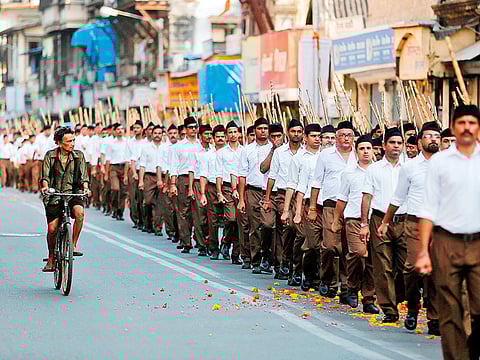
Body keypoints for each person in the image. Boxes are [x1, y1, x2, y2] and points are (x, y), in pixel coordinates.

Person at [416, 105, 480, 360]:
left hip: (478, 242)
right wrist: (423, 251)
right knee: (450, 308)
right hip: (446, 241)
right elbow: (428, 207)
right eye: (461, 123)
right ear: (454, 127)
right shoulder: (440, 162)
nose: (466, 128)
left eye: (472, 123)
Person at [378, 122, 441, 334]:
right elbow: (397, 197)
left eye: (436, 136)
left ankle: (435, 318)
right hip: (415, 223)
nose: (433, 139)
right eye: (429, 135)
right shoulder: (410, 167)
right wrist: (386, 221)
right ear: (420, 141)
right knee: (413, 267)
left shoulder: (448, 165)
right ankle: (413, 308)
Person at [360, 127, 407, 323]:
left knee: (406, 267)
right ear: (384, 145)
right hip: (379, 220)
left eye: (399, 143)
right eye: (392, 143)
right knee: (382, 266)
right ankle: (389, 309)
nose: (396, 146)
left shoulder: (409, 168)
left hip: (404, 221)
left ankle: (399, 298)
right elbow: (367, 197)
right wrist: (364, 223)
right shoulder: (374, 169)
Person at [309, 121, 357, 302]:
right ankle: (327, 278)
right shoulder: (325, 155)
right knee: (330, 246)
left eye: (349, 135)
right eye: (342, 135)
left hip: (352, 207)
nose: (346, 138)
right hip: (330, 205)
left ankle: (346, 288)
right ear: (336, 137)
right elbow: (316, 182)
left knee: (348, 249)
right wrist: (312, 208)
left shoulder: (359, 155)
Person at [40, 127, 89, 272]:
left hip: (73, 193)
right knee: (52, 228)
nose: (72, 144)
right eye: (68, 141)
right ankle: (51, 257)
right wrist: (45, 187)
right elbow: (45, 176)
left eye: (73, 140)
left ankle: (73, 244)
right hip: (54, 195)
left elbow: (84, 176)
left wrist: (86, 188)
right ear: (59, 143)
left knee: (79, 213)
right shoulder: (50, 156)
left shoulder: (78, 156)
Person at [264, 119, 304, 280]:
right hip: (282, 195)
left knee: (299, 231)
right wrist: (267, 199)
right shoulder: (280, 152)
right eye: (293, 131)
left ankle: (294, 265)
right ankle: (284, 262)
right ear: (288, 132)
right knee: (288, 227)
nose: (296, 134)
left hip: (300, 196)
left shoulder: (306, 153)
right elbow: (272, 176)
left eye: (299, 131)